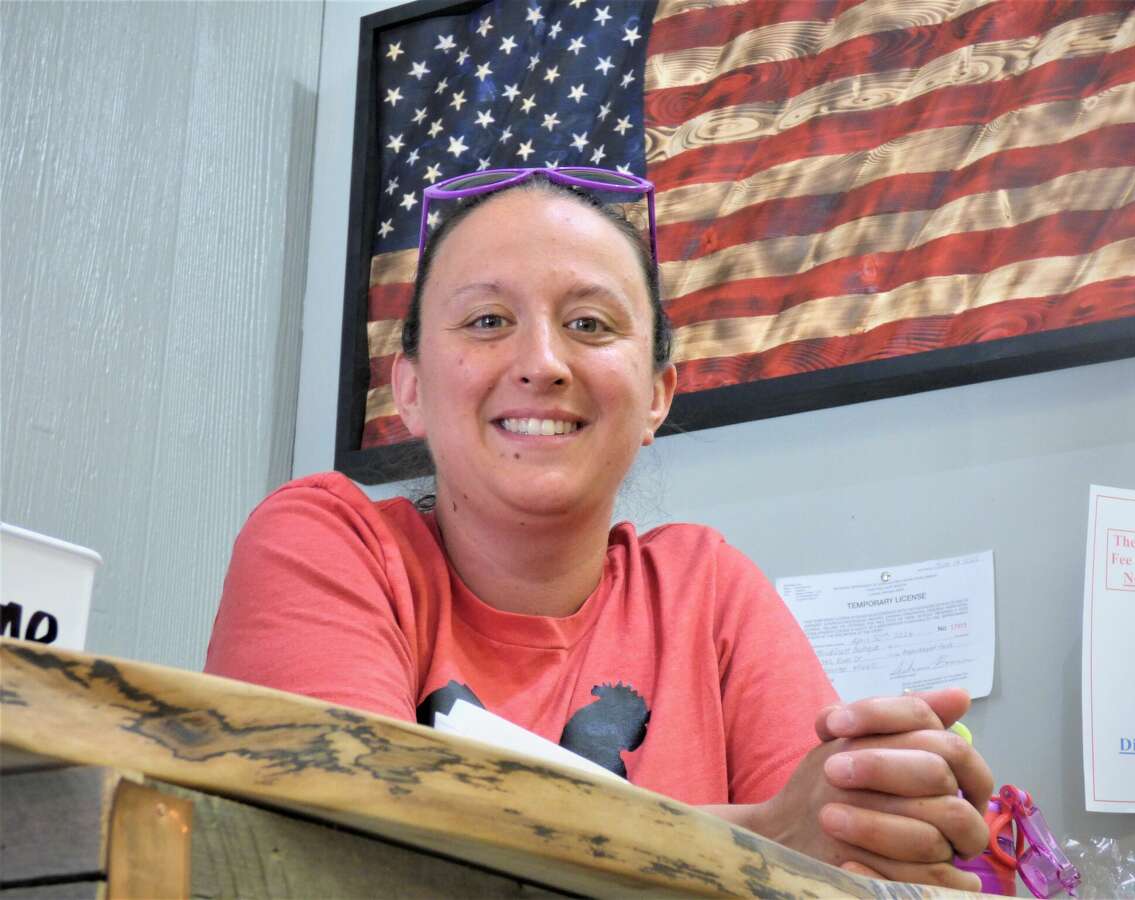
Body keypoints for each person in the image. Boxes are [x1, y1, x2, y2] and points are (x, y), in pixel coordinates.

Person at [206, 167, 992, 890]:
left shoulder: (707, 588)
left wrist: (885, 819)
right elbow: (344, 855)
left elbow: (823, 850)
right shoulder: (325, 538)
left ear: (656, 395)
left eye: (589, 324)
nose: (542, 361)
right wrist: (759, 838)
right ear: (408, 390)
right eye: (486, 320)